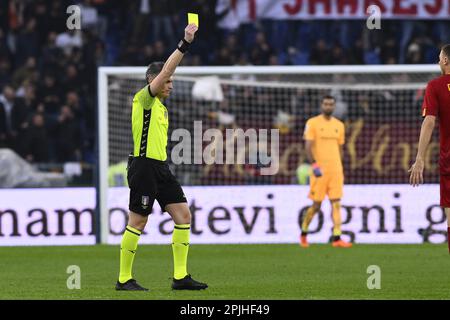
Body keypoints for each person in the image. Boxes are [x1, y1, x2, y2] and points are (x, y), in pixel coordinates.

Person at [116, 23, 208, 291]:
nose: (171, 84)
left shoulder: (162, 109)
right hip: (143, 167)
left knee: (183, 215)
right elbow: (168, 68)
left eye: (171, 82)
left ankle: (180, 277)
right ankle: (123, 279)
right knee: (138, 221)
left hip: (160, 167)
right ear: (152, 80)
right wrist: (185, 43)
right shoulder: (143, 100)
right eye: (167, 81)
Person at [409, 44, 450, 252]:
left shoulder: (435, 86)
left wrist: (419, 158)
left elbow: (429, 122)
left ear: (445, 61)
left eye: (439, 57)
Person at [299, 95, 352, 248]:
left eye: (331, 104)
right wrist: (314, 165)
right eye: (326, 104)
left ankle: (337, 238)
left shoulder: (339, 125)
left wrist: (339, 166)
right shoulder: (312, 123)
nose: (328, 106)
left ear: (334, 107)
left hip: (335, 171)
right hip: (319, 171)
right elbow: (308, 146)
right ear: (321, 105)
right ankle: (304, 232)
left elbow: (340, 149)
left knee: (336, 203)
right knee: (316, 206)